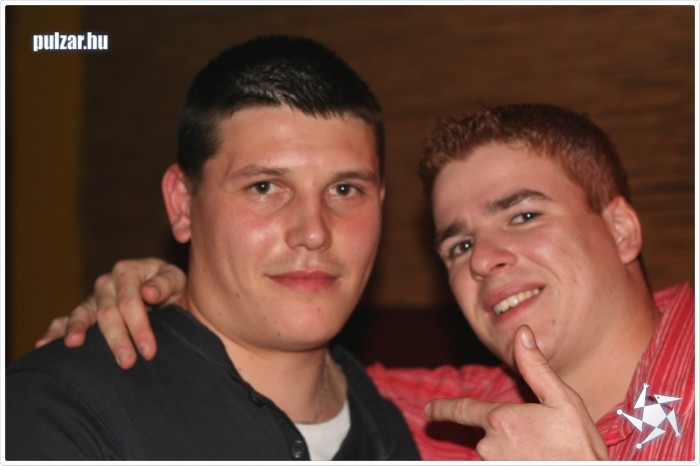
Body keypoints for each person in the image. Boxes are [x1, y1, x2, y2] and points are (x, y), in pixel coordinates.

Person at [38, 103, 696, 461]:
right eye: (459, 244)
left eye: (523, 215)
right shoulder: (469, 417)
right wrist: (177, 297)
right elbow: (297, 377)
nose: (484, 259)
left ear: (621, 230)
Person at [6, 35, 421, 461]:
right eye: (265, 187)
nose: (314, 232)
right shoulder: (61, 412)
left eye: (345, 189)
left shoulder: (403, 429)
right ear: (182, 203)